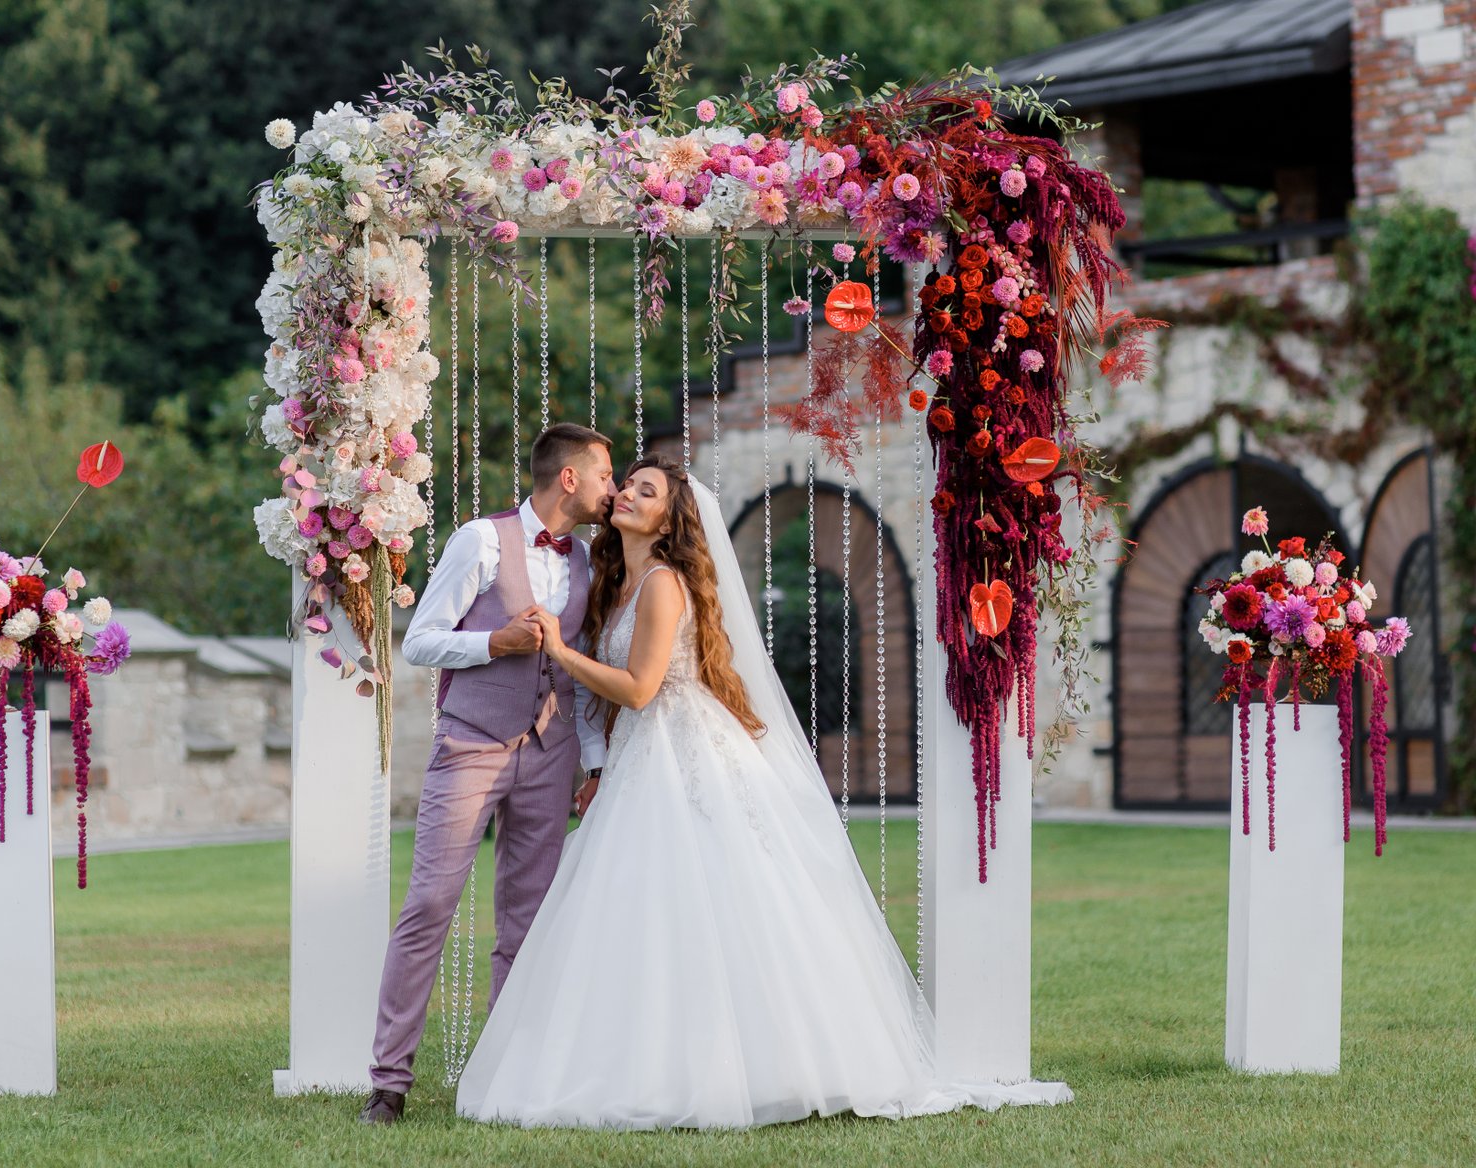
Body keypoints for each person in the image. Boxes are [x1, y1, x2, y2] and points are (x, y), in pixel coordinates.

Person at [455, 453, 1071, 1128]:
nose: (627, 493)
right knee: (646, 908)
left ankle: (762, 1064)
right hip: (640, 757)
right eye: (627, 484)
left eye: (645, 490)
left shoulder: (662, 583)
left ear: (669, 518)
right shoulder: (615, 581)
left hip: (684, 749)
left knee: (716, 899)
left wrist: (559, 651)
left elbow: (640, 688)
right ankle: (655, 1060)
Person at [359, 423, 617, 1125]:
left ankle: (507, 1077)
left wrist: (592, 766)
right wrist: (494, 642)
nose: (611, 488)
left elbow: (583, 679)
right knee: (430, 907)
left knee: (527, 922)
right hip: (472, 742)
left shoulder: (592, 561)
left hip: (553, 751)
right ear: (569, 477)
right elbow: (418, 640)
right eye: (604, 475)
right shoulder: (479, 539)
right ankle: (388, 1082)